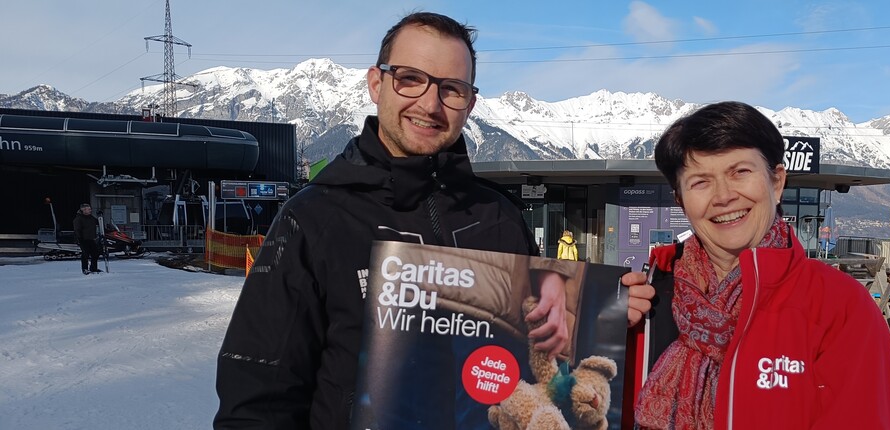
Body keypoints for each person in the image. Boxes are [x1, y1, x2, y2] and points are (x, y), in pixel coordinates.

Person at [214, 12, 654, 429]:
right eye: (410, 79)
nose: (430, 104)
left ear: (470, 102)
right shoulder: (315, 218)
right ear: (376, 83)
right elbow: (259, 400)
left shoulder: (497, 215)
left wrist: (606, 309)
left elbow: (534, 338)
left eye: (452, 88)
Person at [631, 101, 890, 429]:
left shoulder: (840, 308)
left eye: (740, 172)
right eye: (700, 182)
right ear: (680, 200)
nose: (723, 196)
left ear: (776, 182)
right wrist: (610, 329)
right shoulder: (647, 303)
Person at [72, 203, 100, 274]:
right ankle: (85, 269)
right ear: (83, 210)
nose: (90, 210)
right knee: (85, 254)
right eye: (89, 209)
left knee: (95, 253)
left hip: (91, 238)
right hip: (83, 239)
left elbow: (98, 222)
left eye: (90, 209)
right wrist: (79, 238)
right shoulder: (79, 218)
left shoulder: (91, 217)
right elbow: (77, 229)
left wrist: (100, 216)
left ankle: (93, 268)